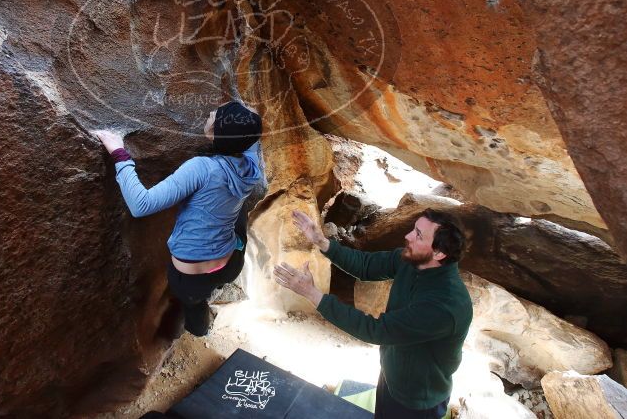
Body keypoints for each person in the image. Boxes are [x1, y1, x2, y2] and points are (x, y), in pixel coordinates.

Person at [274, 209, 472, 419]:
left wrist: (312, 293)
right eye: (414, 229)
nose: (408, 236)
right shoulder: (413, 260)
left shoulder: (444, 306)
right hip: (392, 374)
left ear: (439, 253)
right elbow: (366, 266)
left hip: (416, 400)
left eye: (418, 235)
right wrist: (321, 241)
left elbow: (375, 330)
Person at [94, 101, 263, 337]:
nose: (212, 112)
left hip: (191, 276)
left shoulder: (202, 168)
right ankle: (214, 290)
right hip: (231, 260)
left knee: (193, 304)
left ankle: (198, 329)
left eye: (216, 116)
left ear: (216, 134)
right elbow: (251, 124)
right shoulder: (252, 162)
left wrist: (118, 153)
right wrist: (240, 116)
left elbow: (141, 205)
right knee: (238, 214)